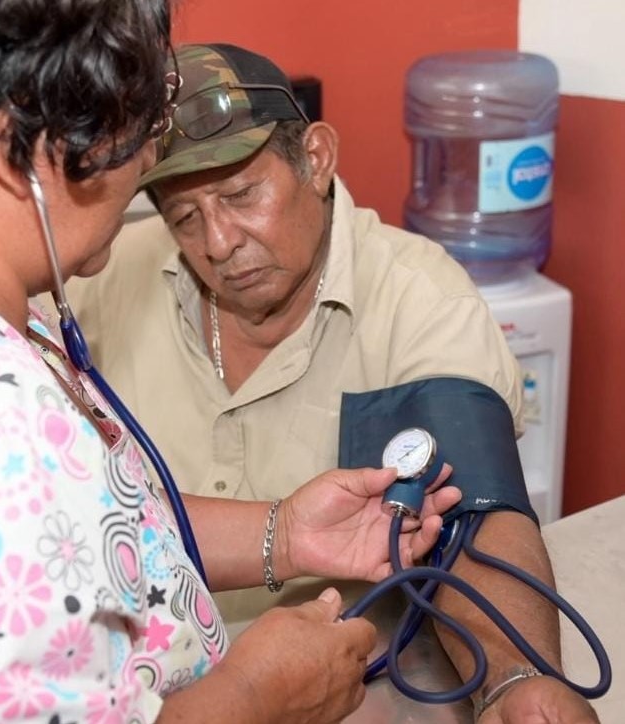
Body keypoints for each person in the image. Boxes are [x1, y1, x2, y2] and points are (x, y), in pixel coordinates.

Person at [0, 7, 461, 724]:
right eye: (150, 107)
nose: (154, 149)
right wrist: (254, 697)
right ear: (45, 128)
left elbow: (81, 530)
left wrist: (281, 533)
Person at [63, 43, 600, 722]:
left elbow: (475, 513)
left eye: (241, 194)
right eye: (185, 218)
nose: (220, 244)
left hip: (343, 694)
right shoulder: (106, 281)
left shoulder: (417, 297)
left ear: (315, 158)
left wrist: (517, 679)